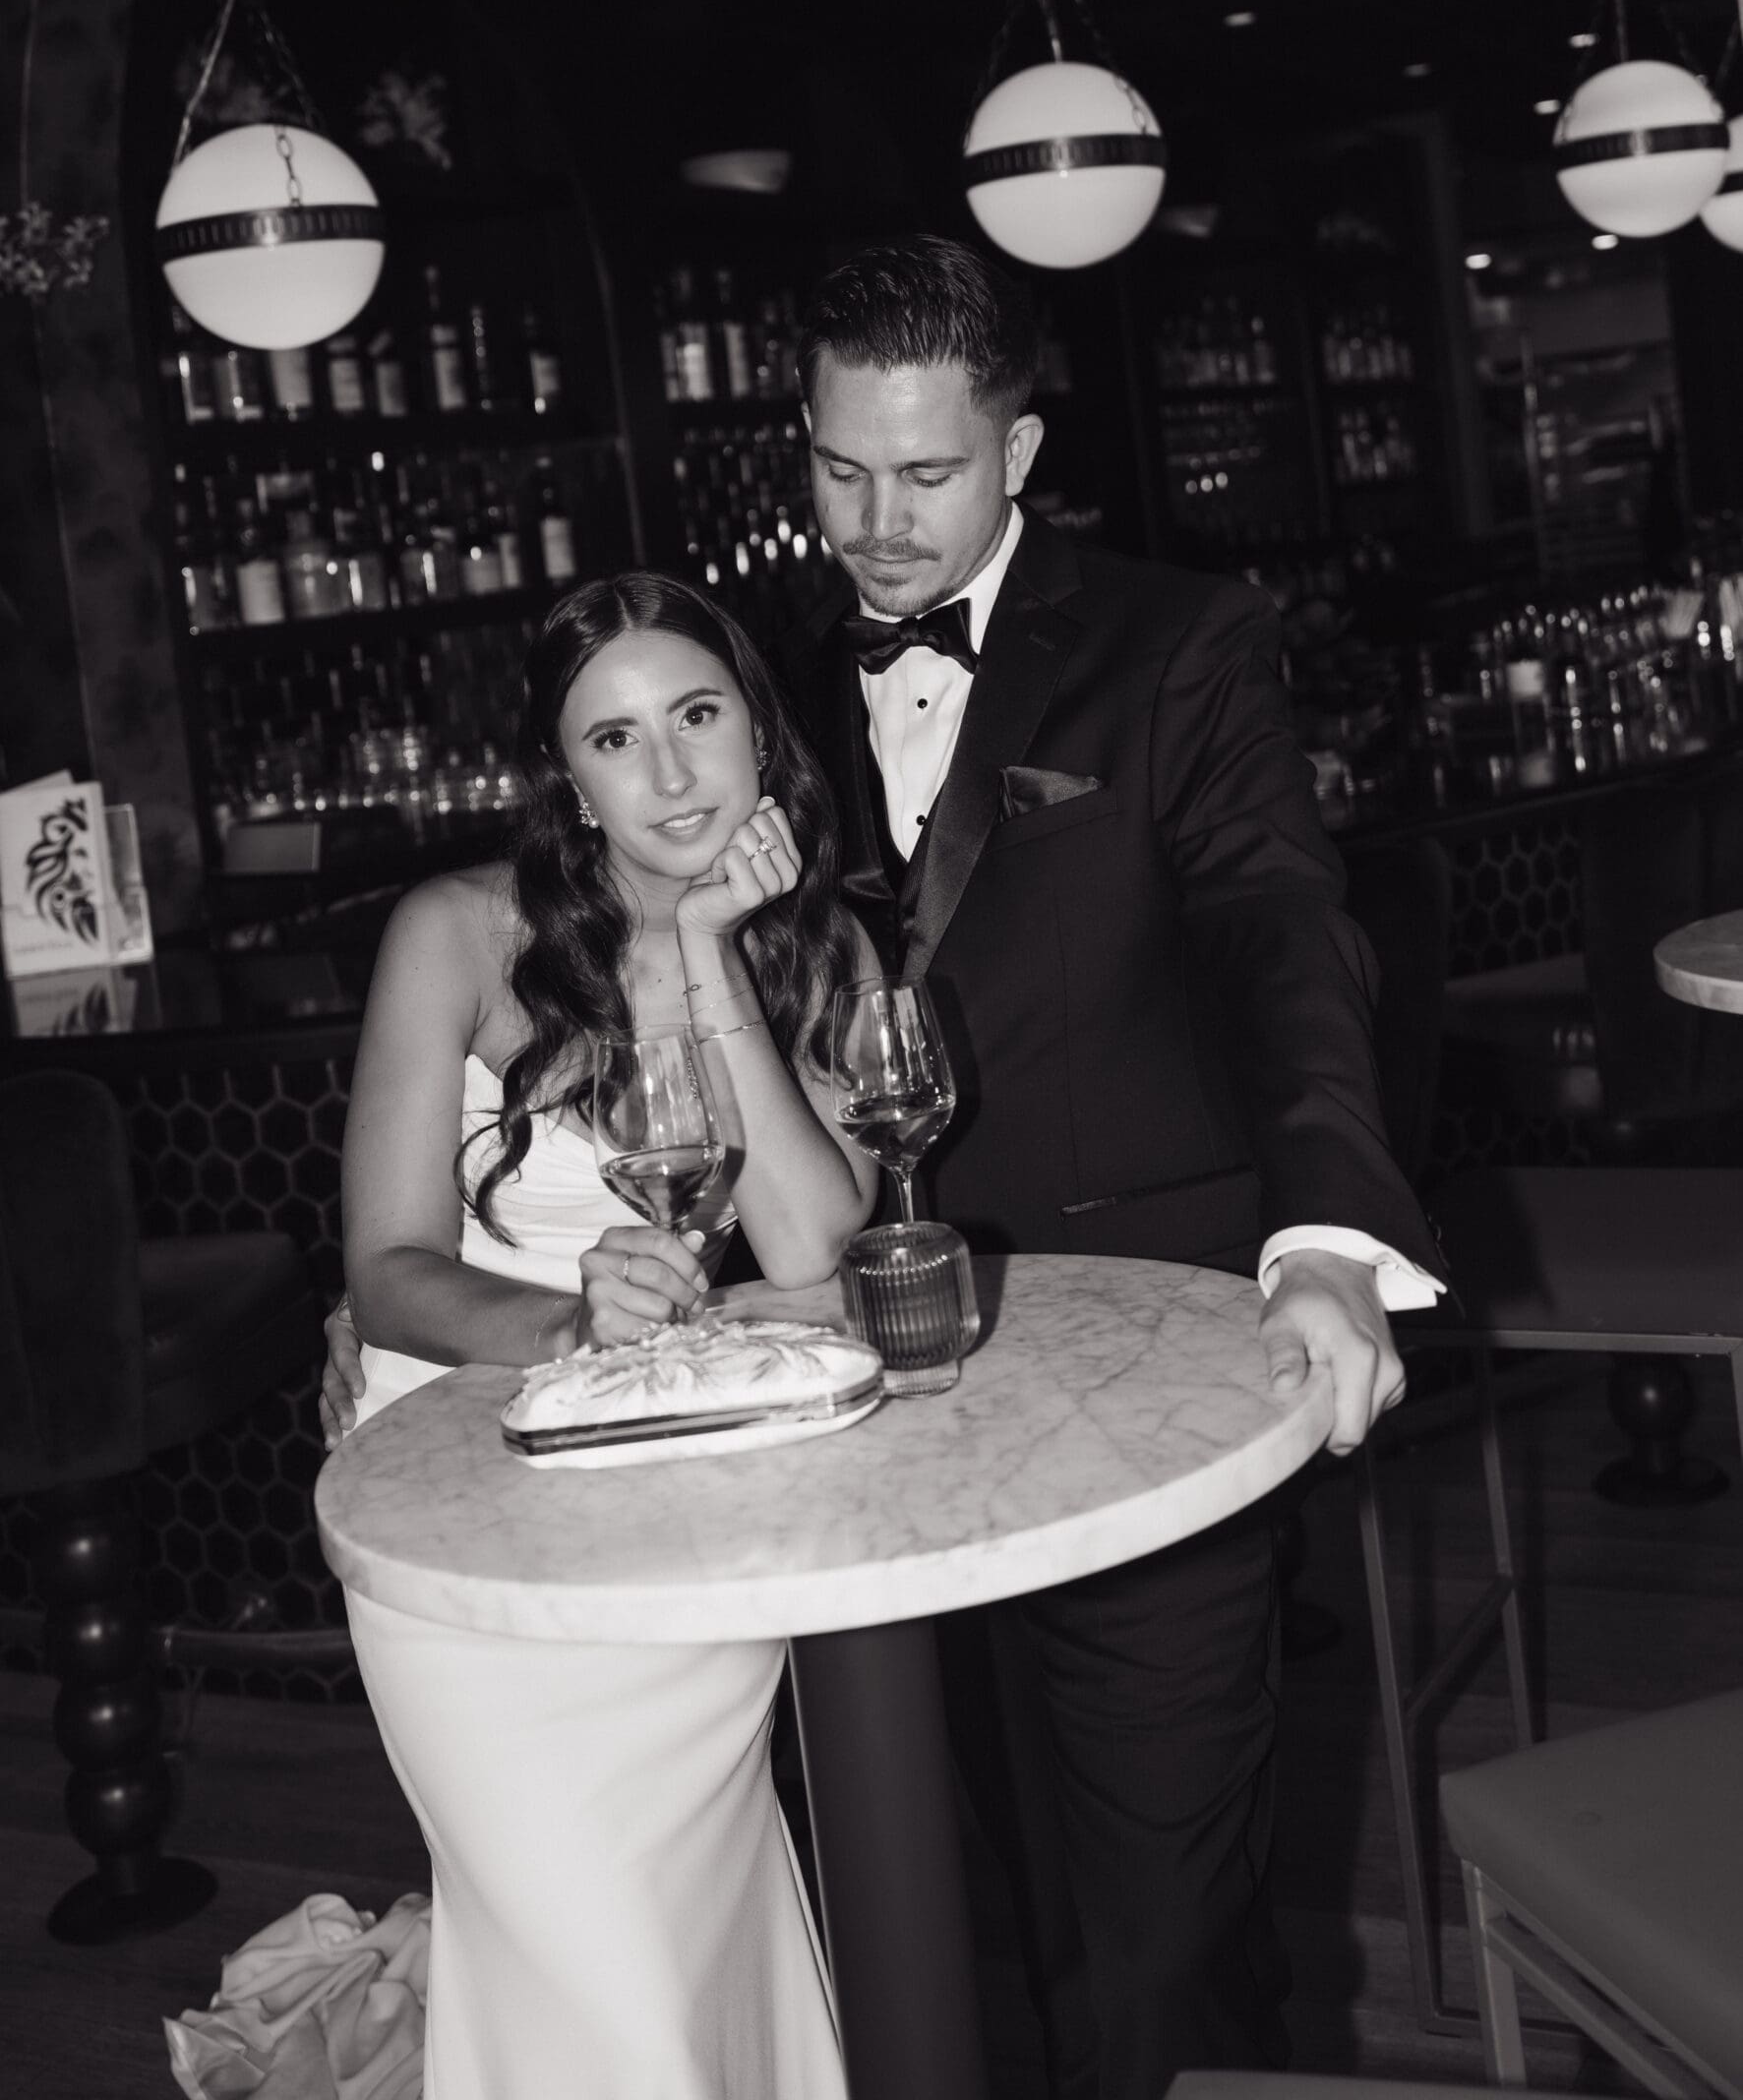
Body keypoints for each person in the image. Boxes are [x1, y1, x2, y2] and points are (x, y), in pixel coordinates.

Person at [772, 234, 1447, 2100]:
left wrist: (1327, 1233)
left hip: (1148, 1364)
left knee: (1164, 1938)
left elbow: (1279, 935)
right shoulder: (758, 672)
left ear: (1019, 449)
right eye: (838, 469)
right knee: (976, 1914)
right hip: (858, 1385)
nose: (875, 524)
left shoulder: (1179, 641)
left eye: (925, 473)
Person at [329, 570, 878, 2100]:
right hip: (464, 1506)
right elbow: (385, 1270)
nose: (673, 773)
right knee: (598, 1972)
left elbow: (814, 1255)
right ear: (568, 780)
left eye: (698, 716)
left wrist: (707, 957)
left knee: (692, 1947)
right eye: (616, 739)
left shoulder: (819, 946)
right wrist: (569, 1320)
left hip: (688, 1501)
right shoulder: (454, 933)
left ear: (759, 728)